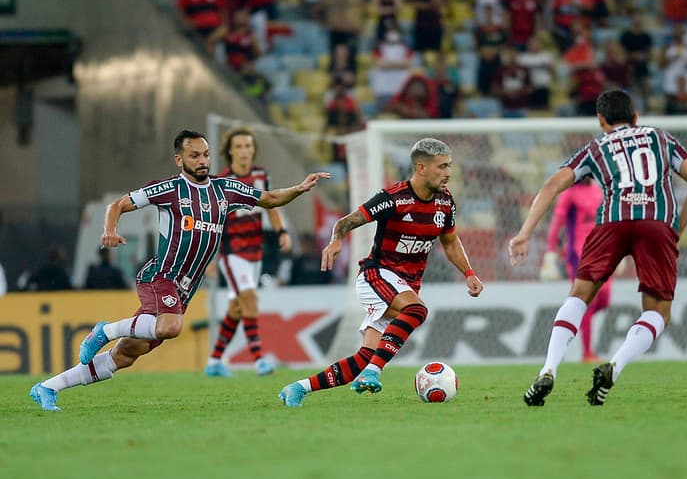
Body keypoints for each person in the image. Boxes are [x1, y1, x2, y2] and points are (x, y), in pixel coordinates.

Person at [29, 130, 328, 411]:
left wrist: (300, 189)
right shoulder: (170, 189)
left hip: (185, 288)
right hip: (160, 276)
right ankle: (105, 330)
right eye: (195, 155)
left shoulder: (225, 190)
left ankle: (49, 387)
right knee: (171, 327)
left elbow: (270, 199)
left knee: (126, 355)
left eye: (206, 155)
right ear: (180, 159)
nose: (202, 161)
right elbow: (118, 204)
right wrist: (109, 231)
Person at [508, 89, 687, 407]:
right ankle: (614, 365)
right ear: (636, 117)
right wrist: (676, 228)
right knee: (658, 311)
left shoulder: (596, 146)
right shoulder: (662, 138)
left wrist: (524, 233)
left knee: (579, 296)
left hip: (612, 223)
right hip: (657, 222)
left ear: (601, 121)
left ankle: (549, 368)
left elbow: (552, 185)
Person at [278, 138, 484, 407]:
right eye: (442, 166)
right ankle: (373, 373)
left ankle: (297, 388)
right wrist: (336, 239)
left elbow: (450, 240)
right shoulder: (393, 199)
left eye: (449, 166)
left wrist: (469, 272)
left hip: (406, 284)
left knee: (366, 356)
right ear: (421, 168)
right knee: (417, 311)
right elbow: (347, 221)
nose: (448, 172)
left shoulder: (445, 203)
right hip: (376, 275)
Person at [204, 126, 294, 378]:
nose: (244, 151)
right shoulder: (221, 182)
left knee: (237, 307)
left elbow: (272, 206)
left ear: (253, 149)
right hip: (232, 253)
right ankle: (259, 360)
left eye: (248, 146)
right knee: (251, 300)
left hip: (256, 252)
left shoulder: (260, 174)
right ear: (230, 152)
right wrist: (210, 259)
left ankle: (214, 361)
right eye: (239, 147)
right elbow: (213, 222)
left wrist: (282, 232)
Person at [541, 176, 610, 363]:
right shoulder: (570, 194)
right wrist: (550, 251)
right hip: (579, 253)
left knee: (604, 299)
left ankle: (568, 324)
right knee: (588, 301)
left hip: (602, 251)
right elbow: (557, 223)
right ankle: (587, 353)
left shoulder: (598, 189)